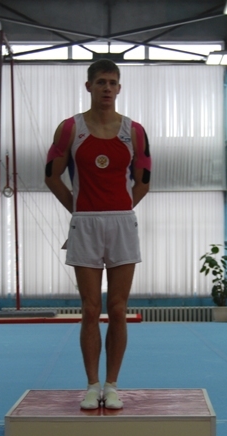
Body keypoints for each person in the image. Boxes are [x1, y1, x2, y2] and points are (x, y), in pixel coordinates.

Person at [44, 59, 151, 410]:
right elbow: (51, 176)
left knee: (118, 309)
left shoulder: (135, 132)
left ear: (119, 88)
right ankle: (92, 385)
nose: (107, 88)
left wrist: (121, 208)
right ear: (88, 86)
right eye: (101, 82)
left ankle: (112, 384)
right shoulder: (69, 129)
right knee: (90, 309)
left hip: (122, 222)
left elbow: (144, 181)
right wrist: (78, 209)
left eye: (112, 82)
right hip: (85, 222)